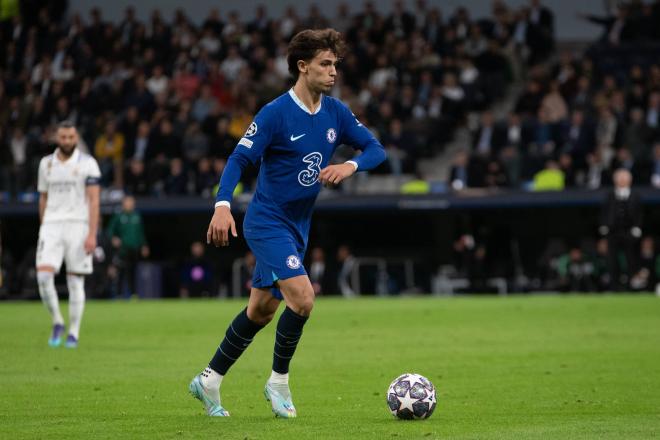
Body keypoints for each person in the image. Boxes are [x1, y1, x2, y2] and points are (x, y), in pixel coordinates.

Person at [189, 29, 386, 418]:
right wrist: (223, 204)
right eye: (325, 64)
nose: (333, 72)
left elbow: (376, 149)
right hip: (266, 222)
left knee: (260, 311)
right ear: (302, 66)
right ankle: (278, 382)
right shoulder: (275, 113)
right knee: (304, 298)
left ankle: (208, 380)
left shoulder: (336, 112)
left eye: (335, 65)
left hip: (298, 226)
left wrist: (349, 165)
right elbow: (239, 160)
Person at [36, 121, 101, 348]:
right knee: (43, 277)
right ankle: (57, 321)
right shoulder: (46, 164)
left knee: (75, 281)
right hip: (51, 225)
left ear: (76, 138)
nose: (67, 141)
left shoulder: (88, 164)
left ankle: (73, 332)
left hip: (78, 224)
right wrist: (44, 226)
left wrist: (92, 233)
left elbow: (94, 201)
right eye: (63, 137)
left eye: (71, 137)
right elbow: (43, 197)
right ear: (57, 138)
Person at [599, 168, 642, 291]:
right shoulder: (609, 195)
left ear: (630, 180)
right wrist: (604, 225)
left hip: (629, 232)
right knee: (612, 260)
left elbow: (640, 214)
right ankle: (614, 287)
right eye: (620, 178)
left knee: (630, 260)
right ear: (615, 180)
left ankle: (630, 287)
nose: (622, 180)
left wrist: (637, 227)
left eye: (625, 178)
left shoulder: (636, 196)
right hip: (613, 232)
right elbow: (604, 213)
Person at [106, 195, 149, 298]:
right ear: (123, 203)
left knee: (133, 272)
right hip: (122, 249)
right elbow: (110, 231)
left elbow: (141, 233)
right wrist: (113, 238)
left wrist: (144, 245)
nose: (130, 204)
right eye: (127, 202)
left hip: (134, 249)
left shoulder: (137, 216)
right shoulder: (119, 216)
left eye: (131, 202)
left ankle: (133, 294)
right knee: (121, 272)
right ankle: (119, 294)